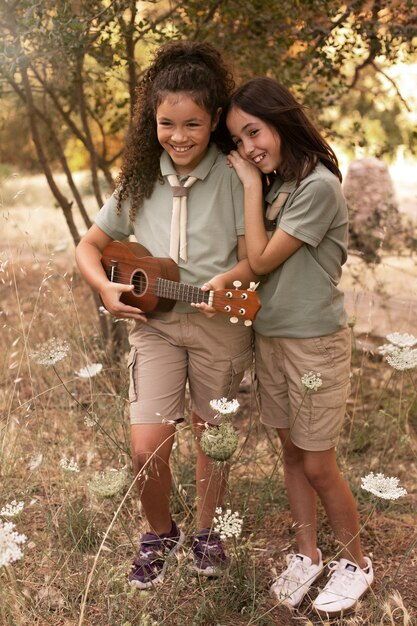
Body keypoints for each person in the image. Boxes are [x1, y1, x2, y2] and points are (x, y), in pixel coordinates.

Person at [75, 41, 255, 589]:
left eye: (193, 124)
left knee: (211, 437)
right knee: (145, 443)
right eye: (166, 123)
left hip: (218, 322)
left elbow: (254, 257)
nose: (178, 136)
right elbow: (88, 246)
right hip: (154, 327)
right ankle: (159, 533)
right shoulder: (139, 179)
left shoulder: (234, 177)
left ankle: (207, 534)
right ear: (151, 119)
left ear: (215, 120)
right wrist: (106, 289)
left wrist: (229, 284)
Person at [226, 77, 373, 618]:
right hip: (271, 339)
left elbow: (261, 262)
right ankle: (307, 555)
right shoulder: (277, 185)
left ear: (281, 119)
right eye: (239, 140)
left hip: (314, 345)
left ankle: (356, 562)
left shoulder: (317, 186)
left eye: (254, 132)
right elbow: (250, 249)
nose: (248, 148)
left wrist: (246, 185)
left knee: (317, 463)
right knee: (290, 454)